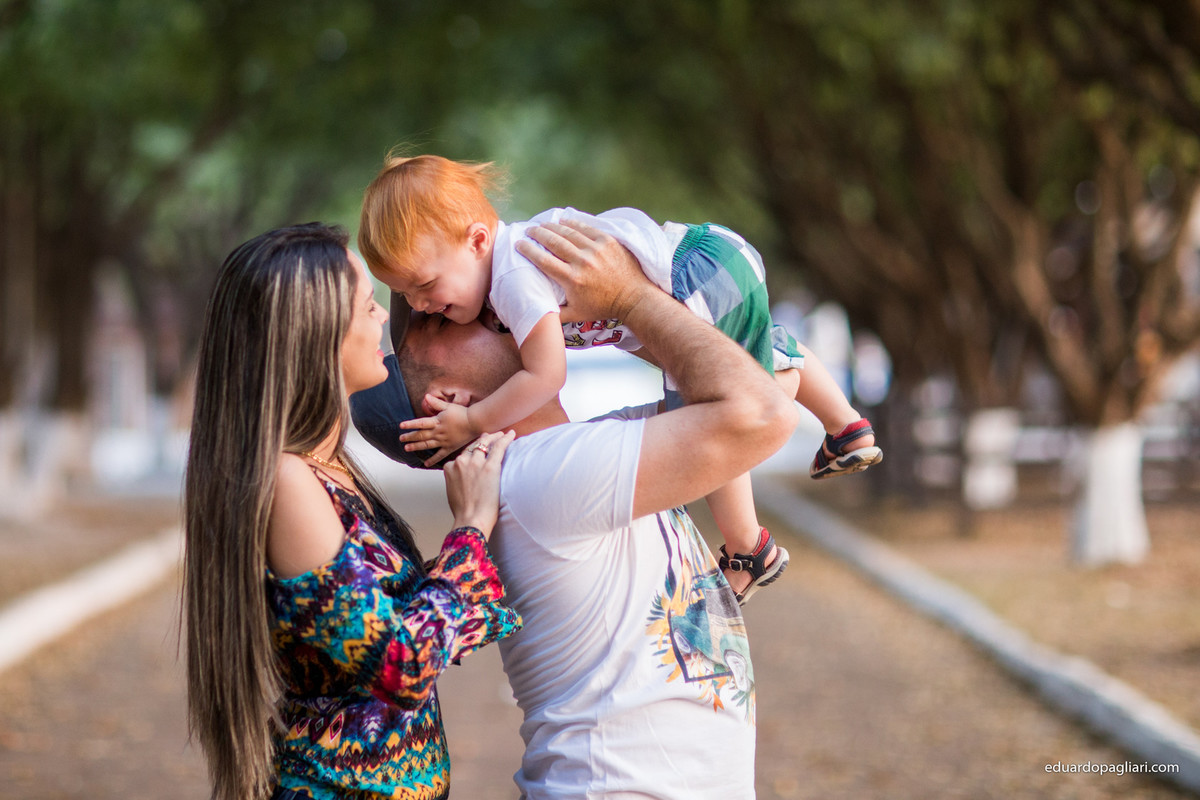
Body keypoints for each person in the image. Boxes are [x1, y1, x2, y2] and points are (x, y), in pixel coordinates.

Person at [350, 218, 800, 797]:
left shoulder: (566, 458)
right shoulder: (541, 480)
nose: (482, 303)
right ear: (449, 401)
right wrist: (628, 296)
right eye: (441, 321)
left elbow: (757, 387)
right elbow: (761, 413)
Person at [356, 153, 881, 604]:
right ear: (438, 398)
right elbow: (750, 411)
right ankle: (842, 430)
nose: (424, 306)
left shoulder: (514, 276)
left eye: (427, 295)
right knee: (737, 381)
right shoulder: (545, 476)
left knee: (709, 401)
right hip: (702, 269)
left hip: (693, 268)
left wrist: (472, 421)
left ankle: (748, 547)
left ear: (475, 241)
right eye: (419, 305)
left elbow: (547, 373)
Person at [182, 222, 521, 800]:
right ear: (316, 337)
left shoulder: (328, 469)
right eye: (368, 306)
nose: (385, 321)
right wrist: (468, 530)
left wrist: (474, 430)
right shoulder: (288, 482)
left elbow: (414, 625)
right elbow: (402, 664)